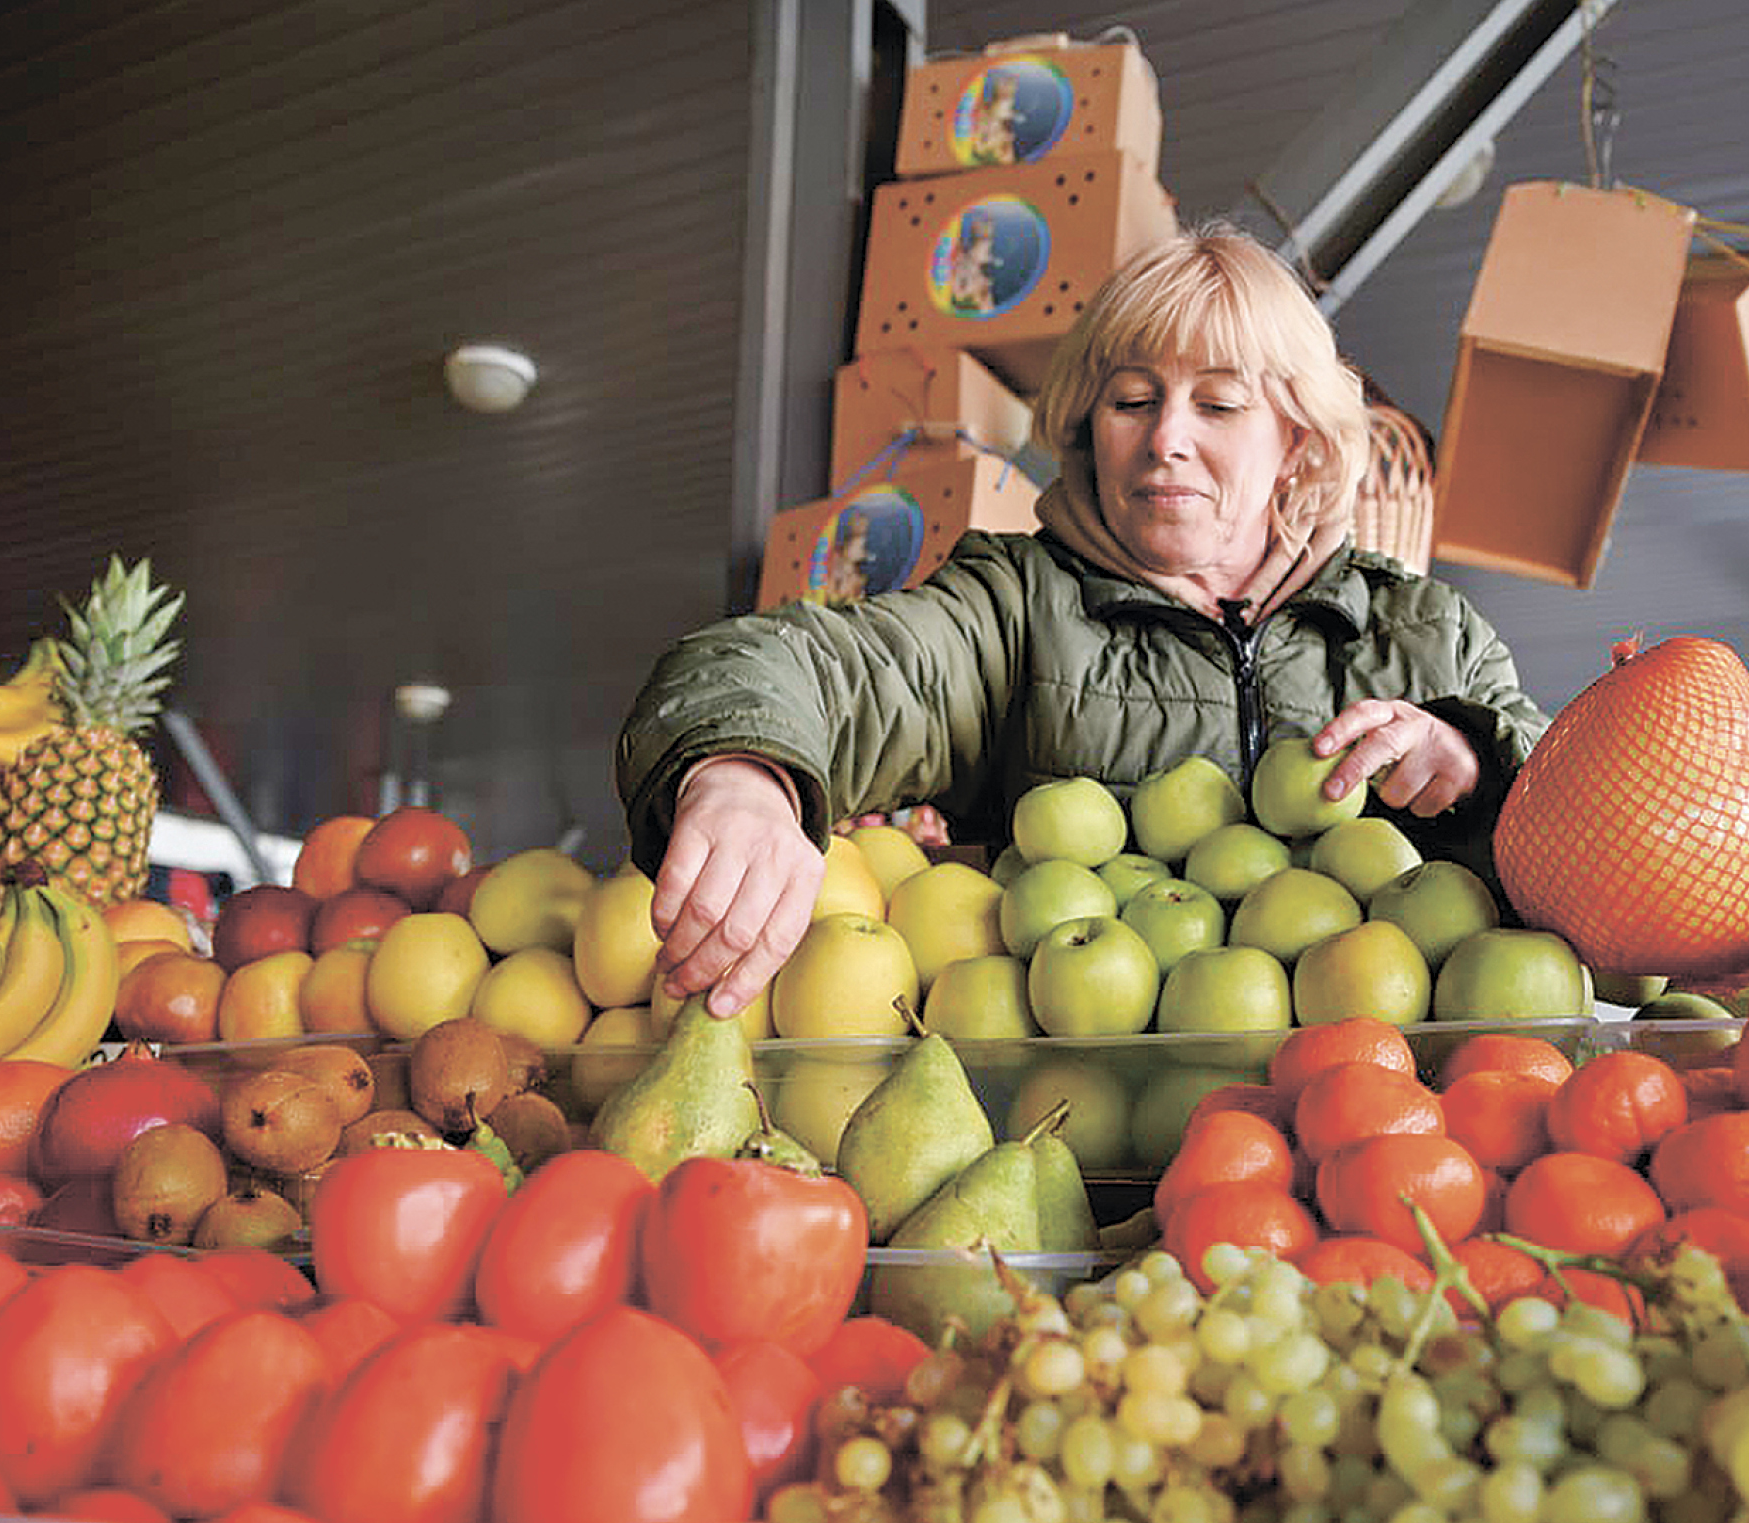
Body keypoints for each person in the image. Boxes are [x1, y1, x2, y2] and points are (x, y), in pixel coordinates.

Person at [617, 218, 1549, 1020]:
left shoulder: (1426, 631)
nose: (1165, 438)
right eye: (1132, 401)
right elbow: (813, 667)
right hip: (1084, 1134)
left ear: (1295, 442)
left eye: (1218, 404)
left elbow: (1587, 829)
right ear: (1087, 427)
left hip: (1390, 1128)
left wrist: (1475, 767)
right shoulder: (1015, 608)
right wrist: (741, 771)